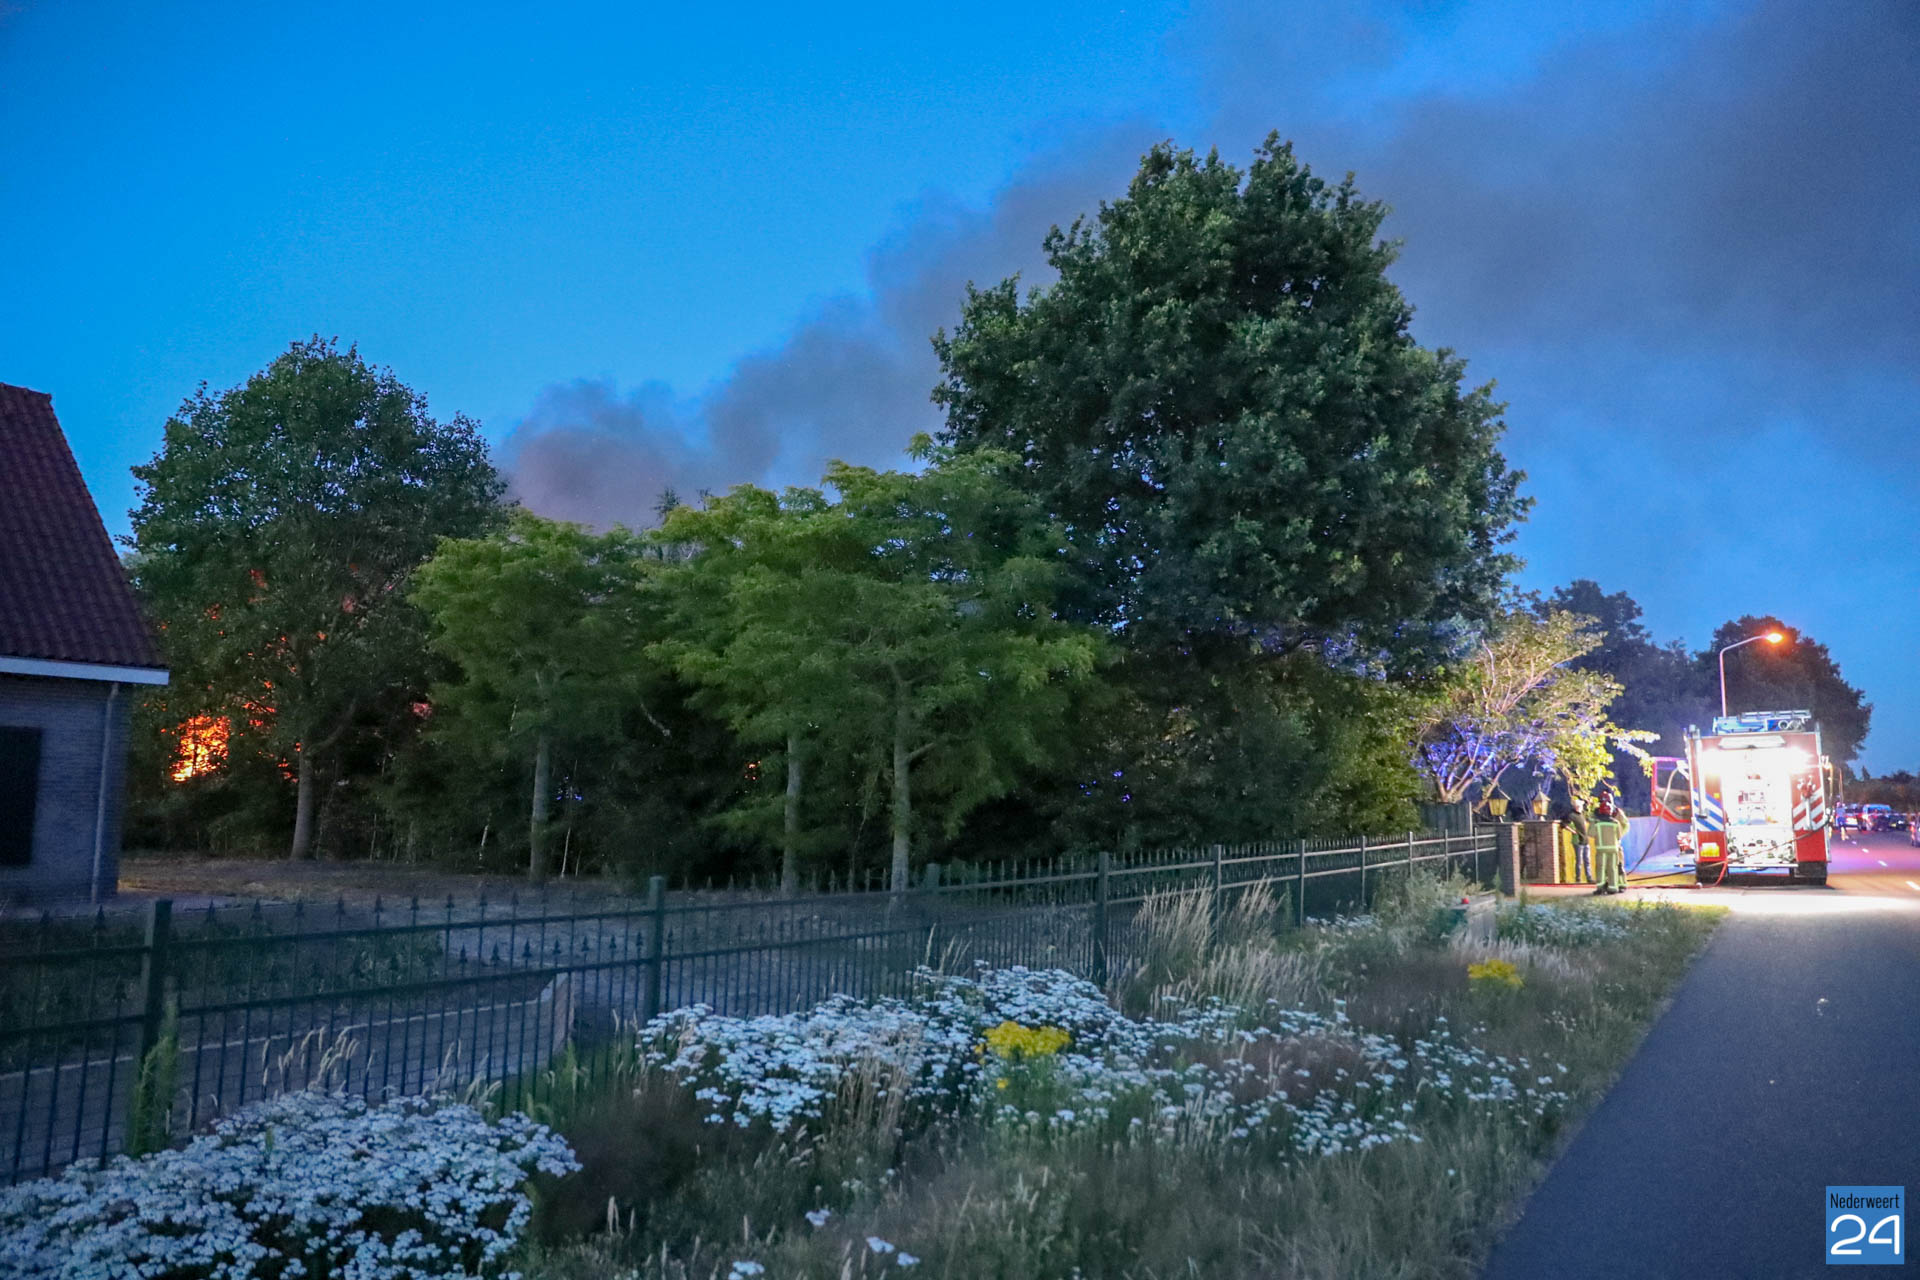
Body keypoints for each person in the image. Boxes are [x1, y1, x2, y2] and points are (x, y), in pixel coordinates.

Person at [1593, 790, 1627, 895]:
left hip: (1616, 844)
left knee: (1618, 865)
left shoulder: (1617, 812)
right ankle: (1606, 885)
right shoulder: (1597, 813)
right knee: (1604, 867)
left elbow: (1625, 825)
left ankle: (1621, 884)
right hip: (1606, 845)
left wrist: (1617, 837)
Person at [1566, 797, 1593, 885]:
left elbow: (1586, 806)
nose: (1581, 807)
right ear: (1576, 807)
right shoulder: (1572, 815)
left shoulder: (1582, 814)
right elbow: (1564, 824)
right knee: (1579, 860)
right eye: (1580, 806)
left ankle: (1589, 877)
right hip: (1578, 841)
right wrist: (1573, 831)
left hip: (1585, 840)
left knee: (1587, 860)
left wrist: (1587, 802)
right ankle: (1578, 878)